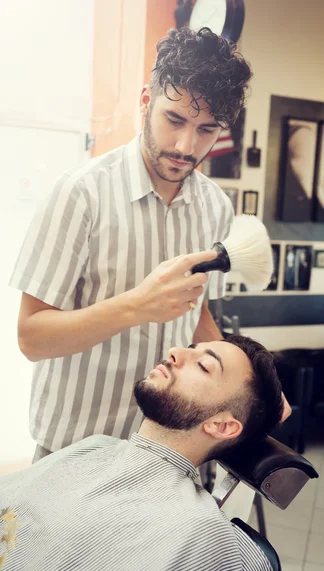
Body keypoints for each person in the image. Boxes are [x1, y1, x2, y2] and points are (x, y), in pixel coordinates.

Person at [9, 27, 253, 462]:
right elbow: (32, 338)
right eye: (174, 120)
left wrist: (249, 392)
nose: (185, 145)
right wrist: (138, 305)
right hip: (74, 446)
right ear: (145, 100)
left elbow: (198, 316)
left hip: (166, 450)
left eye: (206, 130)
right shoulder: (80, 194)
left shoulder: (215, 207)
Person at [0, 335, 283, 571]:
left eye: (204, 366)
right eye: (190, 347)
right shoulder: (96, 448)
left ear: (221, 425)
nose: (174, 352)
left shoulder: (199, 533)